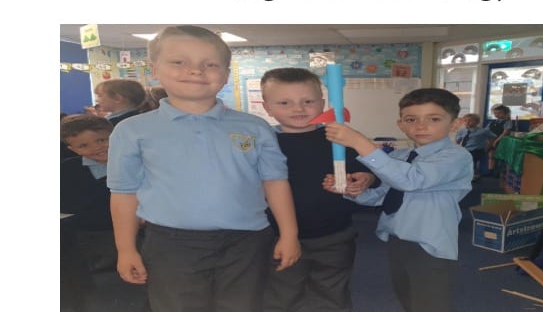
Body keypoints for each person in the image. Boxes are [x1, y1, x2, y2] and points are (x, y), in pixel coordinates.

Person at [107, 25, 301, 312]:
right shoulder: (132, 130)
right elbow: (124, 192)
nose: (195, 71)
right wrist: (125, 249)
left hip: (247, 241)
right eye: (179, 62)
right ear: (154, 69)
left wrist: (289, 234)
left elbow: (275, 182)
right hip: (171, 242)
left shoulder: (255, 127)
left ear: (225, 74)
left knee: (244, 306)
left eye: (210, 64)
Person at [322, 88, 473, 312]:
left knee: (431, 303)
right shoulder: (399, 157)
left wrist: (359, 142)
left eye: (434, 119)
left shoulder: (456, 157)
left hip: (430, 243)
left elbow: (410, 180)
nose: (421, 126)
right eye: (411, 119)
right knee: (407, 297)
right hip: (398, 238)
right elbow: (382, 196)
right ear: (401, 124)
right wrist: (352, 189)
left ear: (455, 124)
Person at [259, 67, 376, 312]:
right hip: (277, 236)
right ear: (267, 107)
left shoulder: (339, 138)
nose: (298, 109)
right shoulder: (264, 143)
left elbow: (367, 171)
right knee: (282, 295)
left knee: (332, 295)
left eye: (308, 101)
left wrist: (364, 179)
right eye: (284, 102)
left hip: (334, 235)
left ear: (322, 104)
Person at [60, 114, 115, 310]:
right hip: (88, 233)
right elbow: (68, 206)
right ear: (73, 149)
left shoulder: (138, 162)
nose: (96, 148)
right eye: (83, 146)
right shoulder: (68, 170)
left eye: (101, 140)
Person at [454, 113, 496, 177]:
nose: (467, 122)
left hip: (476, 150)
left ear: (477, 122)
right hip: (465, 149)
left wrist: (488, 146)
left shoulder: (482, 131)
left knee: (471, 162)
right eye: (465, 120)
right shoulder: (462, 130)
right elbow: (458, 140)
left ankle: (471, 175)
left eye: (470, 120)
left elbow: (493, 137)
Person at [485, 104, 513, 173]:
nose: (497, 114)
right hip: (491, 141)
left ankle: (499, 172)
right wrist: (488, 141)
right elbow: (486, 131)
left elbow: (505, 132)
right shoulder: (492, 123)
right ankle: (490, 170)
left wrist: (496, 141)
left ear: (505, 113)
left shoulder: (507, 122)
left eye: (499, 113)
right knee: (491, 156)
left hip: (501, 141)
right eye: (495, 113)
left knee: (500, 157)